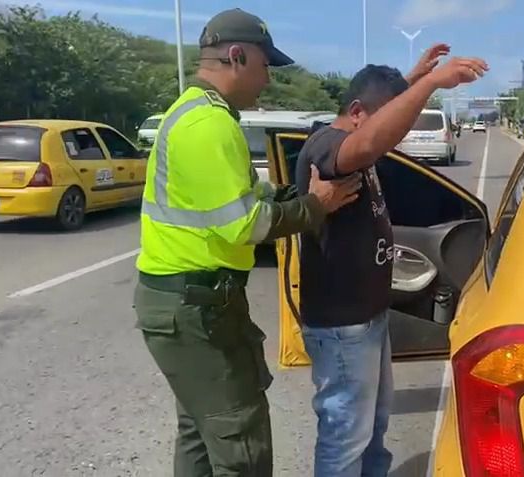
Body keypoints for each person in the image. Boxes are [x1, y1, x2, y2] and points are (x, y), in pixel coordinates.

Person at [132, 8, 361, 477]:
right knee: (241, 442)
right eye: (264, 67)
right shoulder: (209, 126)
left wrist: (291, 193)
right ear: (237, 56)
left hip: (186, 305)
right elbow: (248, 226)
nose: (268, 80)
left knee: (201, 432)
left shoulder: (197, 114)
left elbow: (249, 196)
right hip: (195, 309)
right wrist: (316, 206)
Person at [294, 45, 488, 476]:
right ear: (358, 111)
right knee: (345, 437)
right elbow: (367, 142)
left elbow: (377, 125)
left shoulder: (359, 133)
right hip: (343, 325)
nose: (394, 136)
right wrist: (433, 84)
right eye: (387, 121)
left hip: (367, 318)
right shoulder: (329, 146)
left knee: (372, 429)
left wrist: (416, 79)